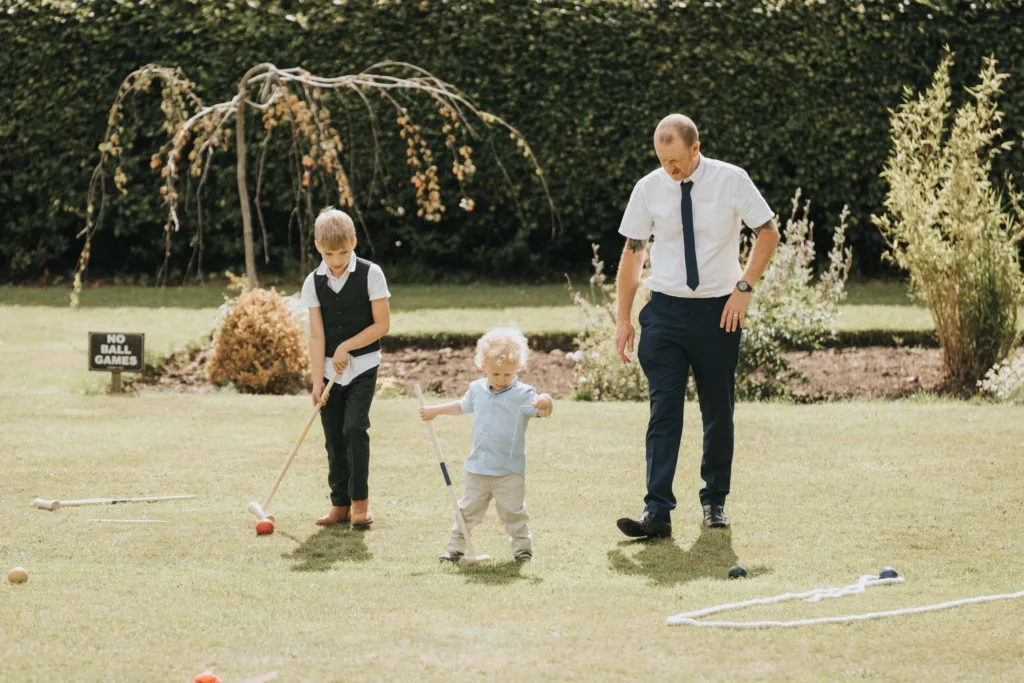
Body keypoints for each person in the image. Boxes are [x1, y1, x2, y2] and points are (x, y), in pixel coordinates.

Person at [615, 114, 780, 538]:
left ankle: (715, 502)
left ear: (695, 147)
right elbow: (632, 255)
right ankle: (657, 513)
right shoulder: (648, 189)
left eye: (675, 160)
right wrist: (623, 319)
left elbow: (768, 232)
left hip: (718, 313)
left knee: (717, 411)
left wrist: (744, 286)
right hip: (665, 313)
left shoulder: (732, 180)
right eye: (662, 160)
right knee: (663, 412)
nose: (669, 169)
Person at [419, 327, 553, 564]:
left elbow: (544, 412)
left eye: (507, 374)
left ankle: (523, 552)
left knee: (514, 513)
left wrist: (546, 401)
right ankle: (454, 550)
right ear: (483, 367)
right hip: (477, 468)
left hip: (508, 471)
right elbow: (462, 406)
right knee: (466, 511)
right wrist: (436, 411)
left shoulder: (523, 394)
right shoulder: (476, 389)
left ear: (518, 368)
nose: (502, 379)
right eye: (496, 374)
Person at [299, 207, 391, 529]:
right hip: (327, 373)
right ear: (317, 247)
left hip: (363, 365)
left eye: (342, 252)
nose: (336, 260)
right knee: (333, 436)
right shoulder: (314, 281)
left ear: (354, 242)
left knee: (354, 429)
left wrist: (346, 347)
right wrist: (315, 382)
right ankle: (339, 505)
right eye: (328, 254)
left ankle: (360, 503)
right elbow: (316, 334)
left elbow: (382, 325)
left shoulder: (371, 274)